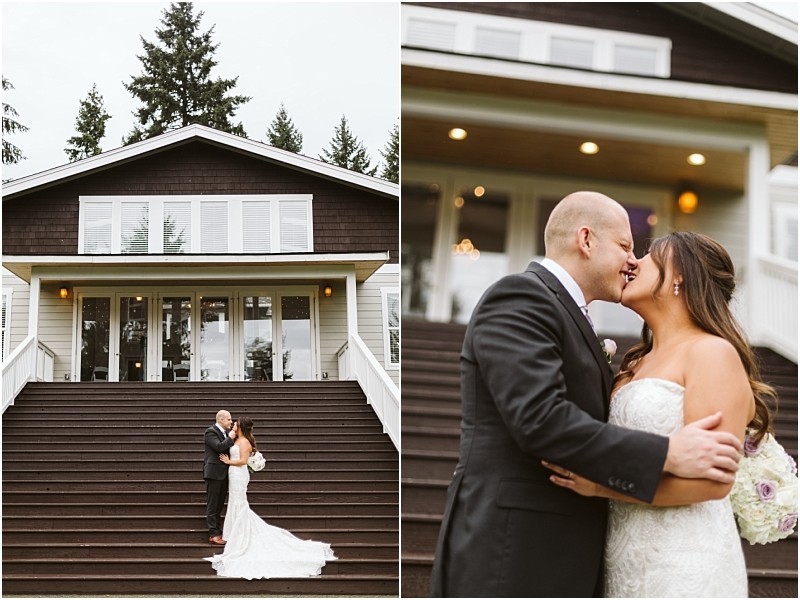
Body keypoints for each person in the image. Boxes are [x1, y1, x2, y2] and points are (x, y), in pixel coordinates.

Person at [429, 191, 744, 598]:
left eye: (640, 253)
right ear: (586, 240)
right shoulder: (522, 297)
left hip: (638, 557)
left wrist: (604, 488)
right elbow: (541, 419)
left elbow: (714, 473)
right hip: (515, 548)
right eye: (626, 247)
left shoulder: (602, 331)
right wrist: (668, 452)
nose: (632, 261)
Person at [544, 231, 776, 597]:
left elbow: (714, 482)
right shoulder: (634, 362)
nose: (633, 261)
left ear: (680, 275)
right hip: (623, 556)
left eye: (650, 255)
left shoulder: (712, 353)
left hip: (684, 562)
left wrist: (599, 487)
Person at [204, 416, 337, 579]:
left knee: (239, 502)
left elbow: (243, 461)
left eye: (236, 425)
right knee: (234, 503)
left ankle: (239, 534)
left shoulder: (244, 442)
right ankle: (232, 533)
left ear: (241, 427)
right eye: (232, 423)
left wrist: (227, 462)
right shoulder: (234, 438)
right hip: (232, 475)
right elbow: (222, 448)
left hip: (238, 474)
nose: (233, 426)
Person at [204, 409, 235, 545]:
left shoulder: (224, 433)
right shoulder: (210, 432)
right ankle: (213, 534)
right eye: (228, 419)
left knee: (219, 504)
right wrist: (231, 438)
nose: (231, 422)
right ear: (221, 420)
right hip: (214, 473)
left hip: (223, 474)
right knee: (213, 504)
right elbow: (219, 447)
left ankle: (218, 531)